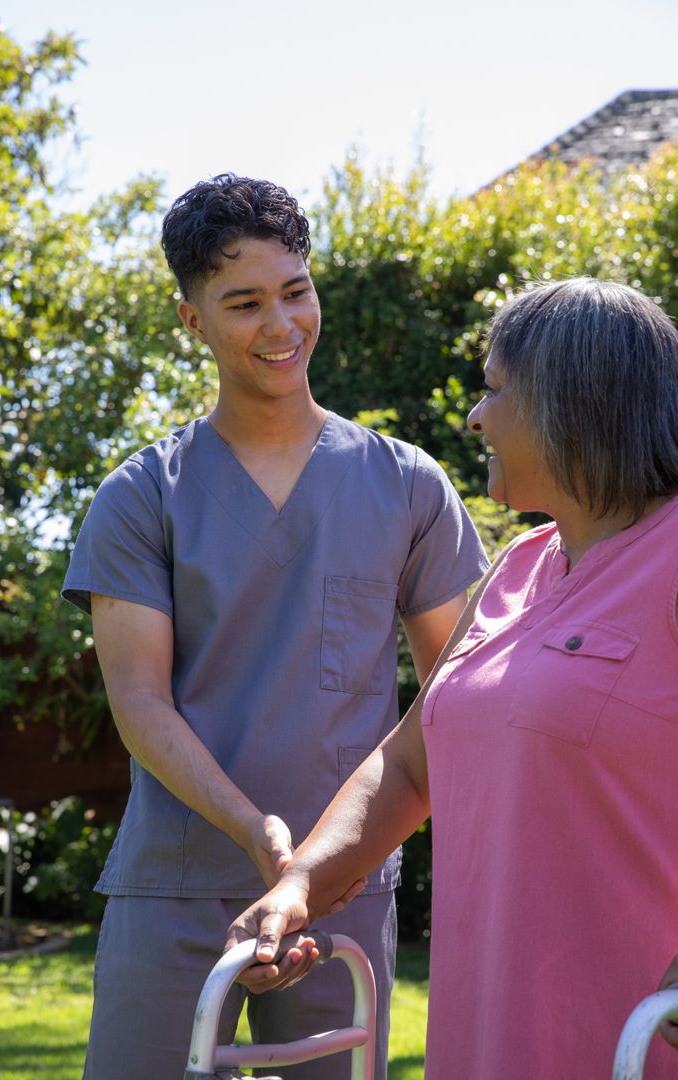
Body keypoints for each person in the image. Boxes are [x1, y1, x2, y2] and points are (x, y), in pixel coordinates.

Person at [61, 173, 488, 1079]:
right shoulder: (143, 497)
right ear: (193, 320)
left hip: (342, 893)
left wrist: (321, 867)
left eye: (295, 291)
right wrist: (256, 830)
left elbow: (461, 702)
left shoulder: (409, 486)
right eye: (245, 303)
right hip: (173, 885)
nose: (281, 324)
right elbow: (139, 704)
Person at [228, 277, 678, 1079]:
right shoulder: (513, 569)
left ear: (575, 401)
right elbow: (408, 763)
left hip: (635, 1037)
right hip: (488, 1027)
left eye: (496, 390)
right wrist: (299, 885)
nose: (476, 417)